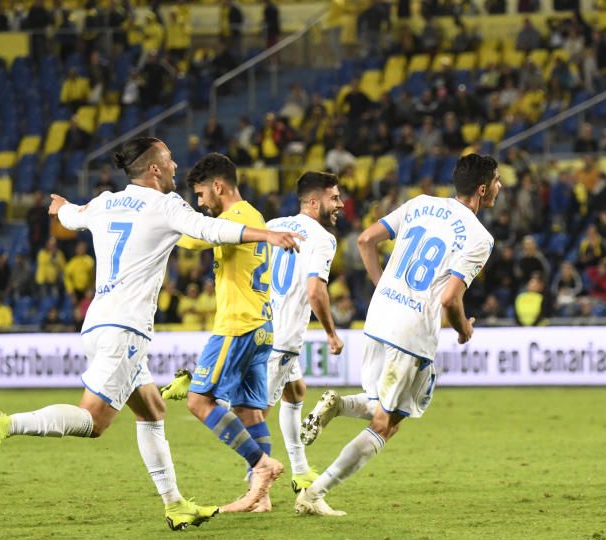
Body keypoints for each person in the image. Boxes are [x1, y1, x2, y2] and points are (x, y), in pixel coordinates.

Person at [0, 137, 300, 532]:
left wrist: (60, 209)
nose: (176, 166)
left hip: (97, 322)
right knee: (93, 422)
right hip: (126, 329)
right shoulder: (166, 205)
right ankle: (7, 424)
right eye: (170, 159)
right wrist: (266, 235)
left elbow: (71, 215)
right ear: (155, 169)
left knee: (152, 411)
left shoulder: (105, 201)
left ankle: (175, 504)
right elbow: (211, 230)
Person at [296, 154, 500, 516]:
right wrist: (465, 329)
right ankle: (314, 494)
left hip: (378, 318)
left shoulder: (421, 204)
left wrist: (382, 286)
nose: (500, 187)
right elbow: (452, 298)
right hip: (411, 332)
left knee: (385, 405)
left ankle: (339, 405)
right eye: (497, 182)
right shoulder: (480, 237)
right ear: (483, 190)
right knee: (386, 423)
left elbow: (365, 240)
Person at [160, 153, 290, 514]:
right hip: (262, 326)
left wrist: (162, 210)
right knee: (251, 411)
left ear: (218, 186)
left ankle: (262, 466)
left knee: (199, 402)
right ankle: (260, 497)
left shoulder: (235, 219)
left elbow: (191, 238)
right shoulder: (252, 216)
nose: (201, 203)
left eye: (201, 194)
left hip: (237, 325)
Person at [261, 172, 345, 504]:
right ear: (314, 202)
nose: (340, 204)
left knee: (295, 391)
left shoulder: (274, 223)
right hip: (282, 336)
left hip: (265, 325)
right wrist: (331, 333)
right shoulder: (323, 238)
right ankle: (258, 487)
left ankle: (299, 470)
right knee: (256, 412)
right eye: (334, 198)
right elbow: (315, 290)